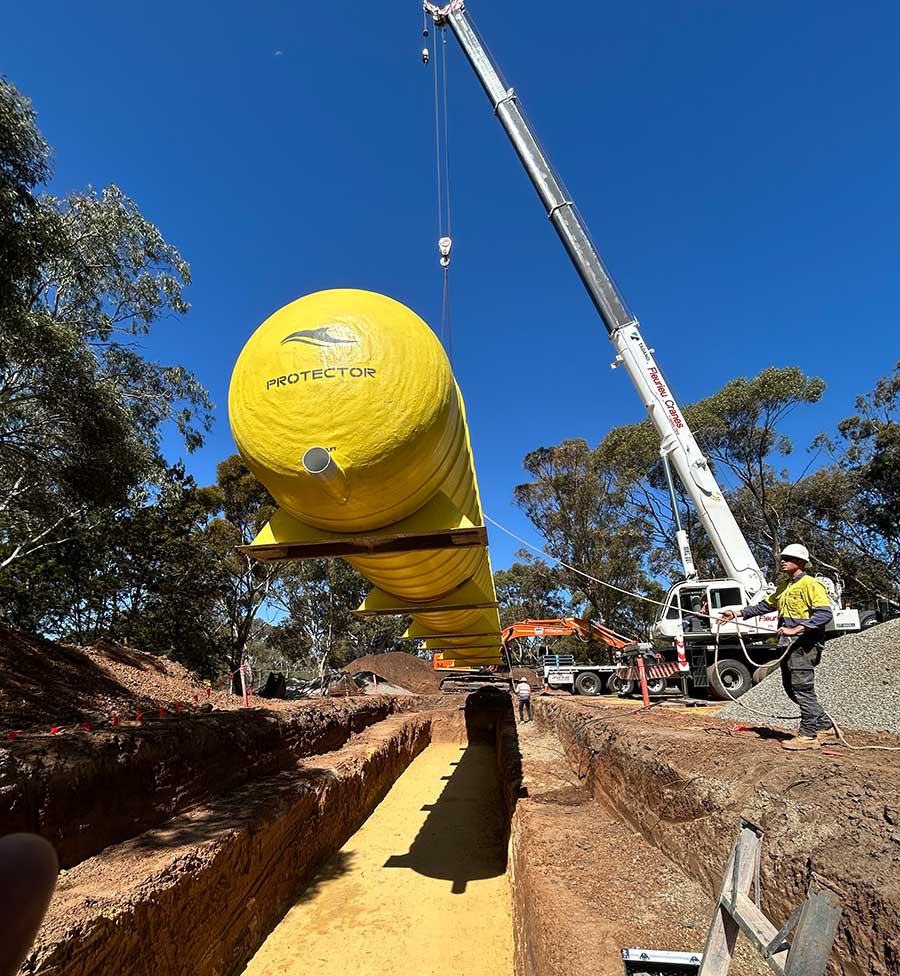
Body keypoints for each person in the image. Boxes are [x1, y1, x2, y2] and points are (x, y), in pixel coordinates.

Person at [720, 543, 834, 751]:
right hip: (788, 646)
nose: (783, 561)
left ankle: (809, 735)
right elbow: (764, 606)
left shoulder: (811, 584)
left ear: (800, 562)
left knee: (802, 689)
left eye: (788, 558)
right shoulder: (784, 587)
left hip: (804, 645)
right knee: (791, 689)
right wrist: (736, 614)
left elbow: (824, 614)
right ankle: (825, 725)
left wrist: (797, 629)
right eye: (782, 558)